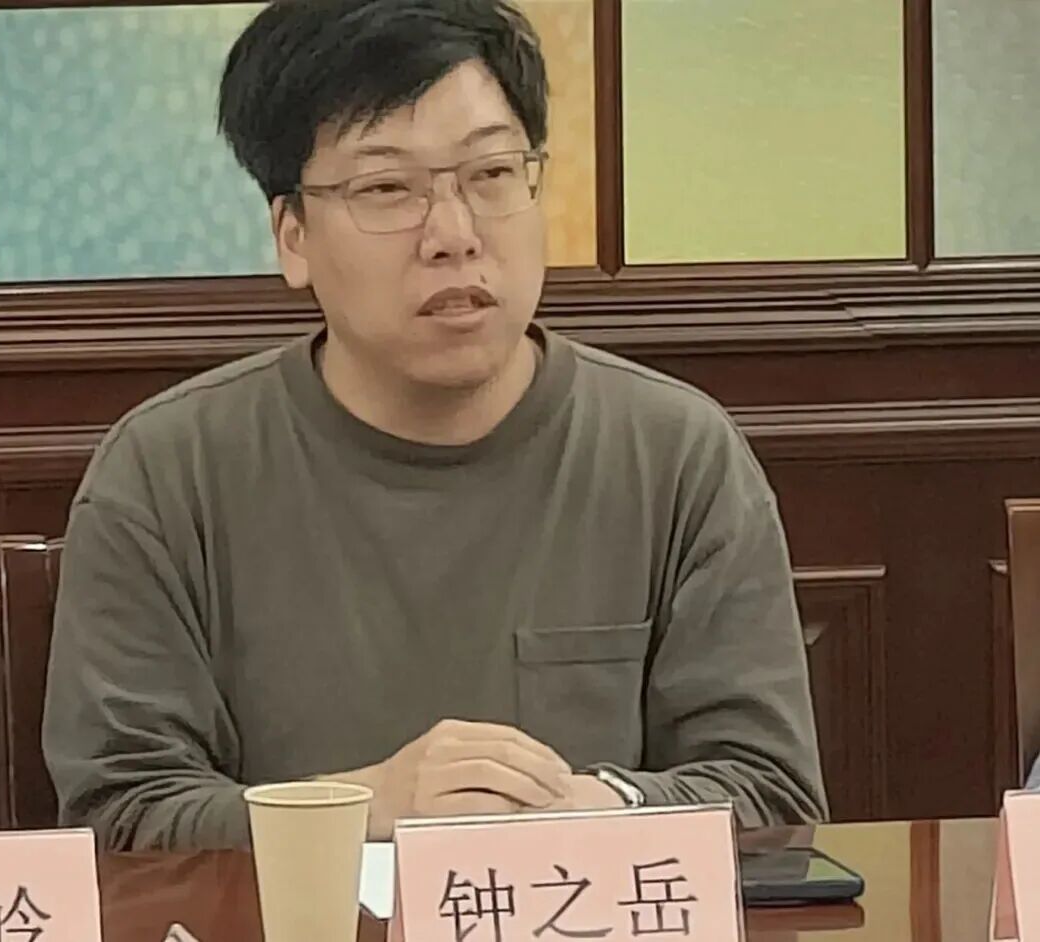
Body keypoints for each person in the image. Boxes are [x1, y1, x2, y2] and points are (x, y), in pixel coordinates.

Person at [43, 0, 827, 851]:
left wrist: (590, 806)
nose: (454, 235)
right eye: (387, 188)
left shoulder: (678, 455)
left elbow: (771, 793)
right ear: (293, 235)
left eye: (491, 175)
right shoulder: (165, 474)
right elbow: (121, 818)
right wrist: (361, 808)